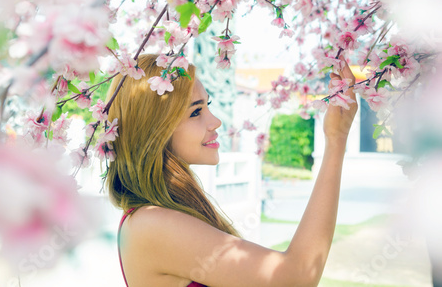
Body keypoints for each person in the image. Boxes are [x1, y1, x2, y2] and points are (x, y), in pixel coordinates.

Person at [106, 53, 357, 287]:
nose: (215, 121)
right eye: (196, 112)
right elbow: (296, 276)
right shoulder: (153, 223)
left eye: (207, 105)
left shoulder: (159, 215)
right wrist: (336, 139)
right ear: (155, 130)